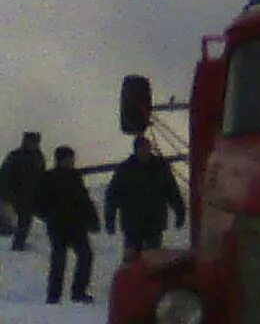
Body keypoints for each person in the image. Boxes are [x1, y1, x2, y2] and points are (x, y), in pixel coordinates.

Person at [104, 136, 187, 258]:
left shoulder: (160, 166)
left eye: (146, 148)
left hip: (153, 221)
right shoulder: (125, 169)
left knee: (152, 259)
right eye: (141, 149)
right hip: (133, 223)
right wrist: (110, 220)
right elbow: (113, 195)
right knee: (132, 259)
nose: (144, 151)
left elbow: (172, 191)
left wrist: (180, 212)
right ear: (136, 150)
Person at [35, 146, 100, 304]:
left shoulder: (75, 177)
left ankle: (78, 292)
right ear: (60, 160)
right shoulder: (49, 178)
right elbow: (37, 203)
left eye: (72, 158)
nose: (71, 161)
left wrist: (93, 219)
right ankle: (54, 295)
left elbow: (84, 200)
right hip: (58, 225)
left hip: (76, 224)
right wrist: (49, 216)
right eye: (68, 158)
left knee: (85, 255)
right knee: (59, 260)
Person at [1, 130, 45, 251]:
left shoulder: (38, 156)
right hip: (19, 196)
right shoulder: (15, 157)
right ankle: (18, 246)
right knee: (24, 221)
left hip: (33, 196)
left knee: (28, 221)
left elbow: (41, 175)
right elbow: (4, 176)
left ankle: (20, 244)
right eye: (32, 142)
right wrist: (7, 196)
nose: (35, 144)